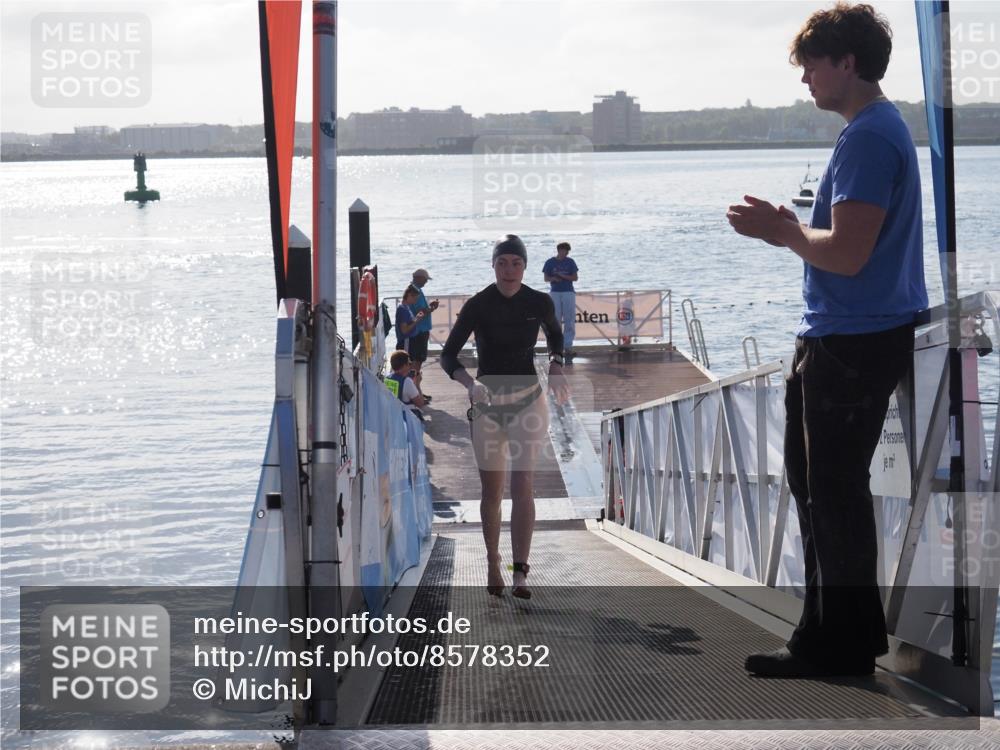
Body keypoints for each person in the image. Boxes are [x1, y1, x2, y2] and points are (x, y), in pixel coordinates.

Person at [726, 2, 927, 678]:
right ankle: (832, 636)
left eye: (814, 62)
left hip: (853, 339)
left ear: (848, 62)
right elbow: (849, 248)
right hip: (848, 335)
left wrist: (782, 232)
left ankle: (836, 646)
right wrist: (790, 227)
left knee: (832, 491)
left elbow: (846, 254)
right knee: (820, 488)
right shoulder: (875, 130)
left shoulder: (868, 138)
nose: (805, 76)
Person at [440, 235, 569, 599]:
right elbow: (448, 356)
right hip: (487, 405)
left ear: (525, 267)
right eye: (502, 263)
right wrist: (469, 384)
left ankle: (521, 573)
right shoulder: (478, 305)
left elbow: (557, 338)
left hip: (529, 400)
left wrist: (557, 366)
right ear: (493, 266)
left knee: (523, 483)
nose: (509, 270)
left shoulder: (538, 301)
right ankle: (493, 560)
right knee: (492, 491)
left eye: (516, 263)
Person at [542, 242, 578, 360]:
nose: (566, 253)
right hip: (555, 292)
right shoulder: (550, 262)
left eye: (567, 251)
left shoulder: (570, 261)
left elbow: (575, 277)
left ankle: (568, 346)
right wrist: (554, 278)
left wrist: (563, 277)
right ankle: (556, 347)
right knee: (555, 319)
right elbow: (546, 278)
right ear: (559, 250)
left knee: (569, 319)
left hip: (568, 291)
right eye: (564, 250)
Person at [409, 268, 439, 400]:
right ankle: (415, 393)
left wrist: (429, 308)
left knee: (416, 361)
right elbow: (420, 312)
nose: (426, 282)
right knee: (417, 362)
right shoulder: (415, 291)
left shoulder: (414, 290)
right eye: (426, 279)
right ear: (419, 278)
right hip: (419, 331)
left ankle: (416, 391)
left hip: (418, 331)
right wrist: (431, 308)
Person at [385, 350, 426, 419]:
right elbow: (420, 403)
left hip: (392, 416)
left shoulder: (387, 379)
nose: (410, 366)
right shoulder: (407, 382)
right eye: (409, 363)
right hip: (406, 419)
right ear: (404, 365)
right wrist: (417, 385)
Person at [395, 285, 426, 353]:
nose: (416, 301)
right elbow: (404, 330)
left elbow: (408, 323)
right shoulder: (402, 309)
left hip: (409, 341)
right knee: (406, 362)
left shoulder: (406, 307)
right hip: (406, 342)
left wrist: (416, 318)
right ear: (409, 295)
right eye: (415, 298)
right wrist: (417, 320)